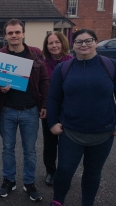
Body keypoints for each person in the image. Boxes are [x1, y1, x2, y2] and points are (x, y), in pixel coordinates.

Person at [47, 29, 116, 206]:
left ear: (96, 42)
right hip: (71, 132)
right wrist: (52, 123)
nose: (84, 45)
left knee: (93, 172)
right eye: (79, 42)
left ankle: (87, 203)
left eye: (88, 41)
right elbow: (53, 98)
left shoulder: (113, 66)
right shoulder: (63, 68)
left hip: (103, 133)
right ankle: (58, 201)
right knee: (64, 170)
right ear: (73, 46)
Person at [0, 18, 49, 202]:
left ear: (23, 33)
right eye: (10, 33)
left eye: (17, 32)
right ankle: (9, 180)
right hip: (7, 111)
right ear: (6, 35)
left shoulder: (35, 54)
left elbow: (44, 81)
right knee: (7, 149)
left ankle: (29, 182)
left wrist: (44, 105)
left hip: (31, 110)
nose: (14, 35)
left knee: (30, 150)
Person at [41, 31, 73, 186]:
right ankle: (50, 172)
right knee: (50, 144)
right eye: (50, 43)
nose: (53, 46)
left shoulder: (73, 62)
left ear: (63, 43)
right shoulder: (43, 64)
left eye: (56, 42)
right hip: (49, 110)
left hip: (69, 111)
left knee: (68, 145)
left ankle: (64, 172)